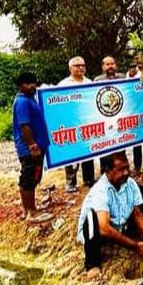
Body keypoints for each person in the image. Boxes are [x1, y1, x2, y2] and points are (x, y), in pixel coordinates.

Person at [76, 151, 143, 275]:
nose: (126, 172)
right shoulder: (100, 190)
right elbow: (103, 228)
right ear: (108, 171)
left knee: (141, 191)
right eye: (121, 169)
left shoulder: (130, 183)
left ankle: (134, 238)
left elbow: (137, 213)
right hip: (96, 236)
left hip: (117, 227)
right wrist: (134, 246)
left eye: (127, 167)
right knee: (92, 217)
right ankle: (92, 263)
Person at [12, 72, 52, 223]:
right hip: (30, 149)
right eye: (28, 83)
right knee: (28, 179)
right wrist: (33, 146)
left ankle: (27, 209)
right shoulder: (23, 102)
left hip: (34, 147)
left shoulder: (29, 99)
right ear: (20, 86)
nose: (32, 86)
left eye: (33, 82)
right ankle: (32, 213)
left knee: (30, 179)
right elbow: (24, 126)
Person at [58, 56, 95, 192]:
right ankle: (70, 182)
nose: (81, 68)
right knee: (72, 154)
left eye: (83, 65)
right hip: (71, 124)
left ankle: (89, 179)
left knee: (88, 151)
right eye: (77, 65)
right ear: (70, 68)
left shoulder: (89, 82)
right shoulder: (63, 84)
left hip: (87, 123)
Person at [95, 56, 129, 173]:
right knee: (105, 145)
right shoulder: (97, 80)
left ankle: (121, 168)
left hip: (120, 118)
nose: (110, 66)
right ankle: (105, 170)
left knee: (120, 143)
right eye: (107, 64)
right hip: (104, 119)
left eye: (112, 64)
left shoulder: (123, 77)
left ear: (116, 65)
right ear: (103, 66)